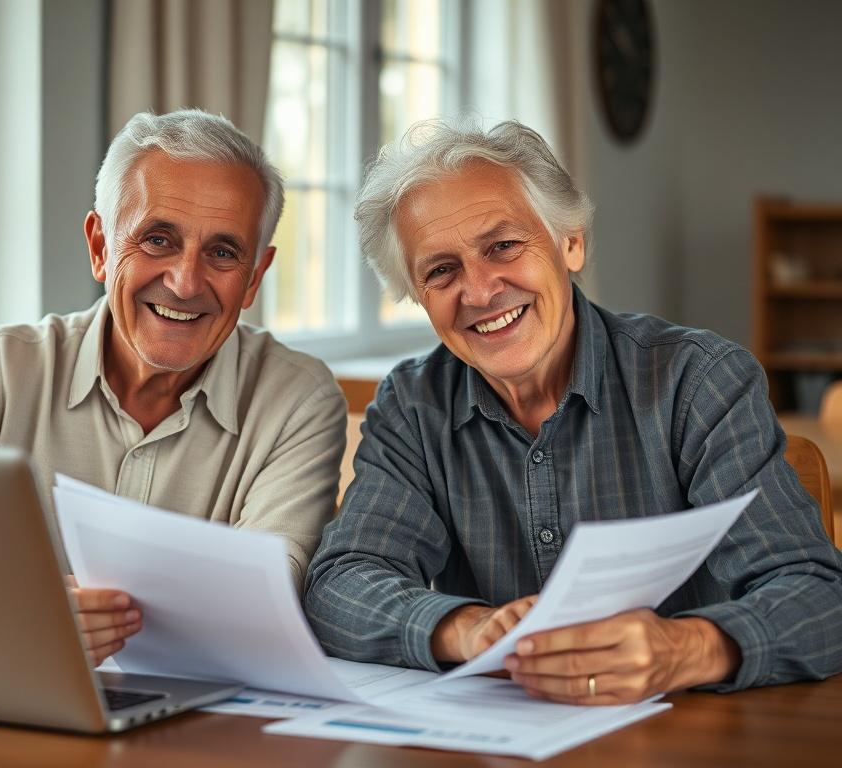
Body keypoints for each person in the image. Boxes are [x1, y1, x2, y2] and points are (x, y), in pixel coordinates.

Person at [304, 118, 842, 704]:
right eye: (442, 271)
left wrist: (684, 649)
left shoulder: (699, 382)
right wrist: (467, 629)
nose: (480, 291)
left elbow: (817, 595)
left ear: (572, 243)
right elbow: (340, 586)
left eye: (503, 246)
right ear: (417, 295)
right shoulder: (413, 406)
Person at [0, 109, 346, 665]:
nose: (185, 282)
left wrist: (0, 602)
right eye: (157, 239)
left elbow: (263, 604)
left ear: (254, 276)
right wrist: (14, 615)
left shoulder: (298, 401)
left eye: (224, 253)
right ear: (100, 247)